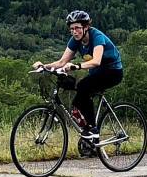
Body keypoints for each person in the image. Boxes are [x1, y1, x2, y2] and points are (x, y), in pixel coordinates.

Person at [32, 10, 123, 141]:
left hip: (113, 72)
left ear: (86, 27)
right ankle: (90, 140)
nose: (75, 32)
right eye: (72, 29)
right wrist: (44, 66)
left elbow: (96, 61)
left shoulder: (97, 37)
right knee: (78, 96)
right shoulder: (75, 40)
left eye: (77, 28)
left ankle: (93, 130)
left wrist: (76, 66)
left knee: (83, 87)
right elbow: (62, 62)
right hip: (96, 73)